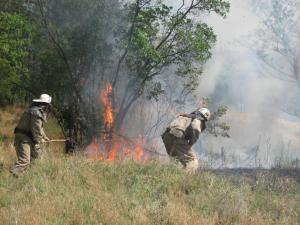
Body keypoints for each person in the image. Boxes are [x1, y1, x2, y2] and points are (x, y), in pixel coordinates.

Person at [10, 94, 52, 176]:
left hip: (30, 138)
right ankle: (12, 175)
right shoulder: (36, 112)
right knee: (24, 161)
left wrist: (45, 137)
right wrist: (40, 140)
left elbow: (39, 128)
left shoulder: (35, 111)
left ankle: (31, 176)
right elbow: (36, 129)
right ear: (45, 104)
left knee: (38, 158)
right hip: (24, 139)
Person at [161, 108, 211, 173]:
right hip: (177, 138)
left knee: (176, 160)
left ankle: (171, 175)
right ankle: (184, 179)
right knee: (192, 161)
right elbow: (195, 128)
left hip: (166, 137)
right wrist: (190, 143)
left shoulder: (185, 116)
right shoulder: (198, 119)